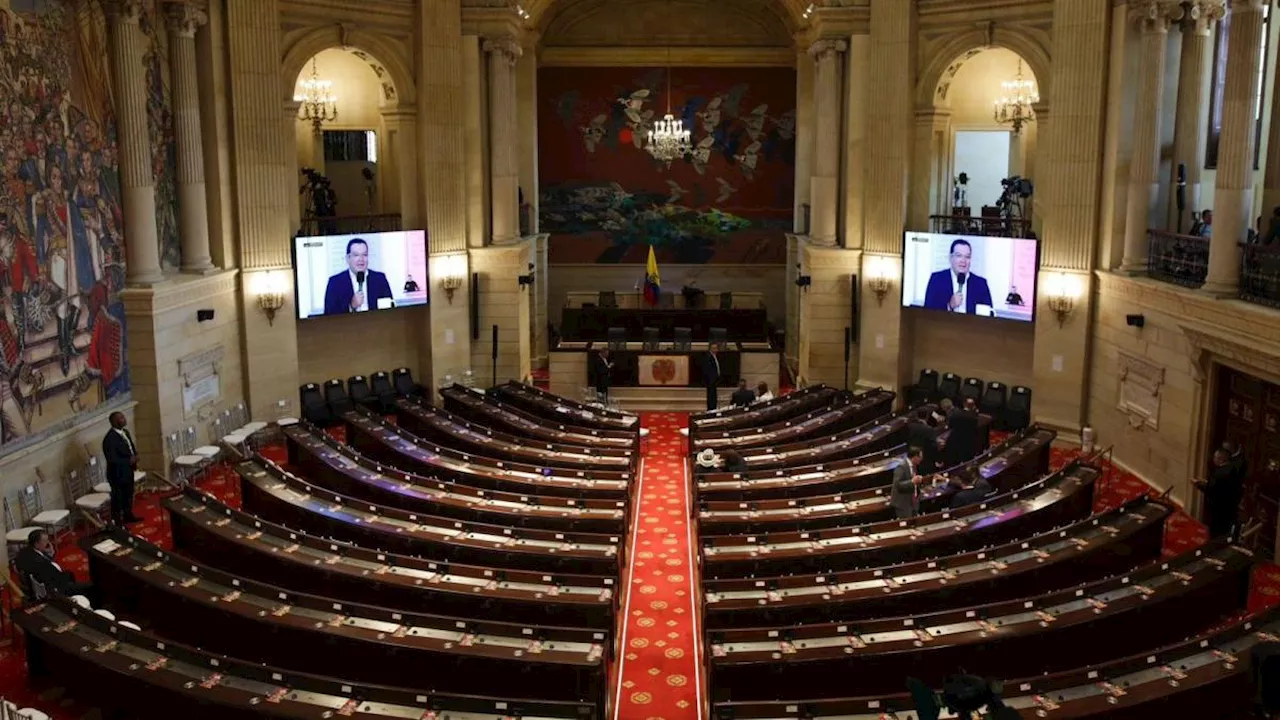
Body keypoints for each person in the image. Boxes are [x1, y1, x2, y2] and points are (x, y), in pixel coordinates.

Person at [322, 238, 394, 315]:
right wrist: (351, 306)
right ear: (348, 258)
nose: (361, 259)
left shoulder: (380, 279)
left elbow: (391, 310)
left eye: (365, 255)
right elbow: (329, 315)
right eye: (356, 255)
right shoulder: (335, 282)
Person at [14, 529, 93, 600]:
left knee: (69, 574)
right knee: (88, 587)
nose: (48, 543)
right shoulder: (41, 563)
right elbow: (56, 577)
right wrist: (50, 558)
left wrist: (50, 555)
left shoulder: (23, 552)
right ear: (36, 544)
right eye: (45, 541)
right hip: (52, 588)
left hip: (39, 580)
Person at [923, 238, 994, 315]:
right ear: (950, 258)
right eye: (959, 256)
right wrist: (949, 306)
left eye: (967, 257)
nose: (963, 261)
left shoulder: (980, 283)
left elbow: (989, 314)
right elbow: (927, 313)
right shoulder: (936, 279)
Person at [102, 411, 141, 526]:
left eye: (123, 417)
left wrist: (135, 454)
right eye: (121, 418)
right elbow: (112, 458)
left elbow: (130, 446)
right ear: (114, 422)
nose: (124, 419)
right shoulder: (109, 439)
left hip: (127, 471)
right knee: (118, 498)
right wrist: (128, 460)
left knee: (128, 494)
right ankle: (118, 523)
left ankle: (128, 515)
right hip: (117, 474)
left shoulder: (125, 432)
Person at [1196, 448, 1242, 538]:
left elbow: (1211, 490)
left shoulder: (1218, 473)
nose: (1213, 459)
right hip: (1230, 507)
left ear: (1221, 459)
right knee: (1225, 531)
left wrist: (1198, 485)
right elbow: (1221, 487)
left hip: (1217, 508)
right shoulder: (1233, 470)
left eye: (1215, 457)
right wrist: (1206, 482)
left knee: (1215, 533)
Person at [890, 446, 928, 519]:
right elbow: (897, 485)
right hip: (903, 503)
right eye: (920, 457)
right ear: (915, 457)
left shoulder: (914, 466)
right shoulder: (901, 467)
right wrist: (912, 482)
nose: (921, 459)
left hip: (913, 502)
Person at [701, 346, 722, 411]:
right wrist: (711, 379)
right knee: (711, 396)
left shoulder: (715, 356)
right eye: (714, 348)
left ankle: (713, 408)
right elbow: (707, 369)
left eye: (716, 348)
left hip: (715, 380)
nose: (716, 349)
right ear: (710, 349)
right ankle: (711, 409)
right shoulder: (709, 357)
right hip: (711, 380)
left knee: (713, 396)